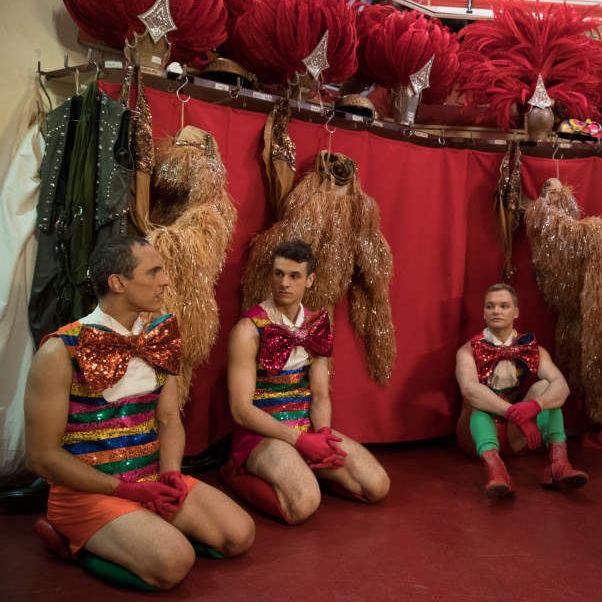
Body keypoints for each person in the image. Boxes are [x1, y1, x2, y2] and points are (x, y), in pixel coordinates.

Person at [24, 235, 255, 591]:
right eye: (154, 271)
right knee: (173, 563)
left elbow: (167, 420)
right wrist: (125, 492)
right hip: (87, 494)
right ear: (118, 282)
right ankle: (70, 544)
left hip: (151, 481)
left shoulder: (158, 339)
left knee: (239, 536)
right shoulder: (60, 351)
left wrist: (172, 473)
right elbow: (41, 457)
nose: (165, 280)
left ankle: (141, 534)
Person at [224, 240, 390, 523]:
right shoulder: (247, 330)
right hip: (262, 434)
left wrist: (323, 434)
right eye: (278, 274)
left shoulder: (316, 325)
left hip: (308, 428)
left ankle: (306, 469)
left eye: (294, 276)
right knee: (302, 505)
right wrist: (300, 441)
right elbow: (240, 410)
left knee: (377, 486)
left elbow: (321, 393)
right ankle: (233, 474)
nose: (284, 283)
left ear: (310, 280)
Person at [455, 283, 588, 499]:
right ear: (483, 312)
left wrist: (534, 406)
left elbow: (561, 387)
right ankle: (496, 471)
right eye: (490, 306)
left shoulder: (532, 348)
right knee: (478, 401)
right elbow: (469, 390)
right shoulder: (468, 350)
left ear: (516, 312)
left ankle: (558, 464)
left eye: (503, 306)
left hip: (514, 433)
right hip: (476, 433)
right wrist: (514, 414)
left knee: (547, 389)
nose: (496, 311)